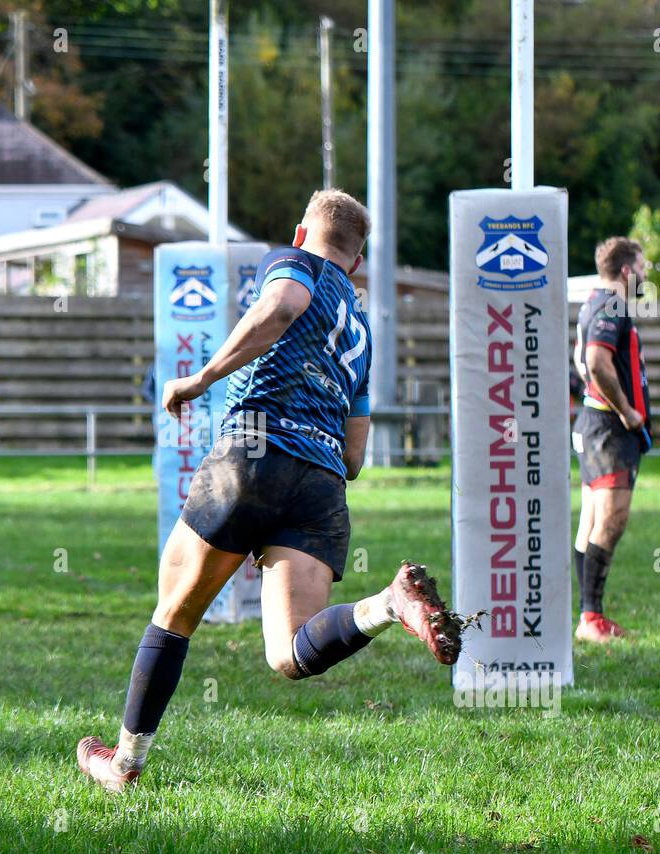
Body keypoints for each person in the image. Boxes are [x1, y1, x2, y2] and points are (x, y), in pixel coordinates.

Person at [76, 189, 461, 792]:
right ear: (357, 263)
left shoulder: (296, 263)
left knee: (174, 613)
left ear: (303, 234)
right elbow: (356, 456)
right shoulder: (360, 326)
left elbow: (279, 309)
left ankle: (123, 764)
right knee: (287, 653)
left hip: (251, 454)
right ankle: (390, 604)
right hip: (322, 483)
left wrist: (200, 379)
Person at [570, 237, 652, 642]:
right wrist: (626, 410)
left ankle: (589, 618)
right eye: (643, 265)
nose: (647, 272)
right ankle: (591, 618)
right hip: (607, 429)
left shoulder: (592, 301)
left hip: (593, 426)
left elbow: (582, 362)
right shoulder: (613, 305)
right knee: (611, 521)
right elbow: (596, 361)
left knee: (590, 524)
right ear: (626, 270)